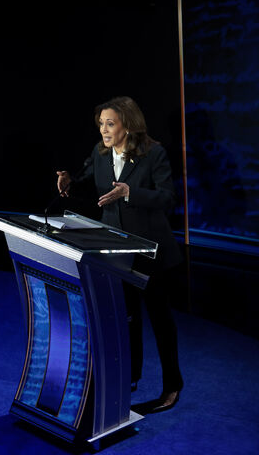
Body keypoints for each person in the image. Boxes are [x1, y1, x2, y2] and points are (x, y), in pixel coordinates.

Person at [56, 96, 183, 412]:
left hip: (151, 252)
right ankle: (130, 375)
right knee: (126, 318)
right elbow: (87, 185)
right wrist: (69, 184)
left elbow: (168, 198)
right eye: (101, 123)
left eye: (110, 123)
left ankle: (172, 386)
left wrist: (130, 193)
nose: (103, 129)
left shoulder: (154, 154)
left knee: (160, 320)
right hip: (116, 250)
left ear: (128, 124)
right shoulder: (100, 154)